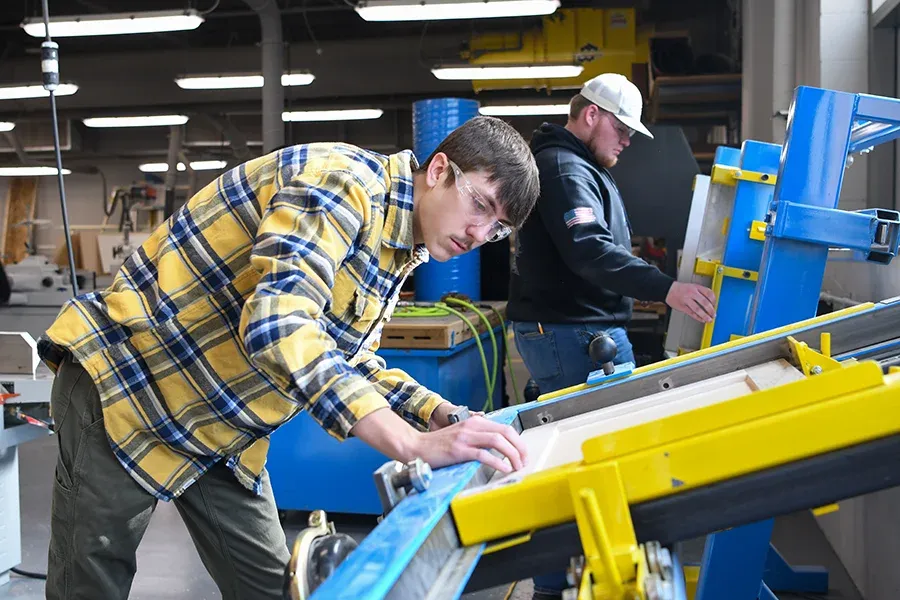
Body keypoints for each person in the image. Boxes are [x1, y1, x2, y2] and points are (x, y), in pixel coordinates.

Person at [37, 116, 538, 599]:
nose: (479, 234)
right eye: (480, 205)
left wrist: (439, 414)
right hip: (130, 386)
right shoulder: (344, 184)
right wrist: (408, 442)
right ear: (438, 170)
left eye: (497, 229)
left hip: (220, 425)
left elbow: (349, 358)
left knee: (274, 587)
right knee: (91, 586)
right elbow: (278, 322)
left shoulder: (400, 243)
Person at [507, 75, 716, 596]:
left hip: (576, 329)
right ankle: (556, 585)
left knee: (584, 458)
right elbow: (589, 250)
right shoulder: (563, 168)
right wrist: (665, 289)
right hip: (571, 333)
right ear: (592, 115)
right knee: (585, 463)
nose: (627, 140)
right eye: (622, 129)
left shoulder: (577, 166)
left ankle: (560, 583)